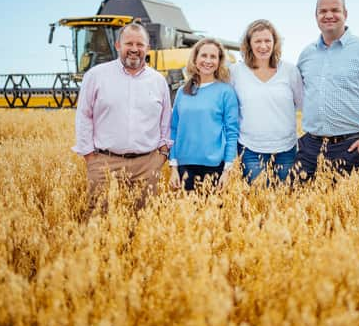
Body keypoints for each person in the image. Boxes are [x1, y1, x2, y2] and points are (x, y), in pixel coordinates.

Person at [294, 0, 359, 181]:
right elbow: (294, 96)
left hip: (349, 148)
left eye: (335, 10)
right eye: (323, 11)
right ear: (316, 16)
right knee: (296, 205)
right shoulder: (307, 54)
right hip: (308, 148)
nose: (329, 15)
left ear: (345, 14)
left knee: (345, 209)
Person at [73, 22, 172, 209]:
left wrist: (162, 154)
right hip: (104, 164)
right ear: (118, 45)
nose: (134, 49)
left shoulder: (158, 81)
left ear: (148, 48)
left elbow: (166, 121)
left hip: (147, 165)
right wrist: (90, 157)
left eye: (140, 44)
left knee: (144, 225)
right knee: (98, 222)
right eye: (129, 43)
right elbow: (83, 116)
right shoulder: (96, 76)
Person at [230, 19, 302, 183]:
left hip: (286, 147)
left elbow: (302, 104)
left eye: (267, 40)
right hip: (250, 148)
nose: (263, 46)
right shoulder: (236, 72)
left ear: (275, 42)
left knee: (286, 200)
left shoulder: (290, 71)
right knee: (257, 201)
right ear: (249, 44)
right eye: (258, 41)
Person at [169, 38, 239, 191]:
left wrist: (227, 170)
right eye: (204, 55)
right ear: (195, 59)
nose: (208, 61)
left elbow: (232, 132)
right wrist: (173, 167)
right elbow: (173, 129)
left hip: (215, 167)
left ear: (219, 61)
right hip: (184, 167)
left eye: (213, 57)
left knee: (213, 215)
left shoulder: (225, 92)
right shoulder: (182, 91)